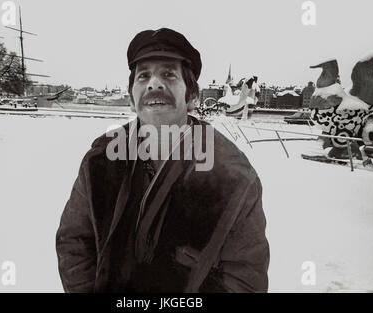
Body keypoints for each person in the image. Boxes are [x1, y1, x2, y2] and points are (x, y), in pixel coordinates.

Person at [56, 28, 269, 293]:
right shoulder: (99, 160)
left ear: (192, 97)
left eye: (168, 74)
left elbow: (244, 277)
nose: (154, 84)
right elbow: (74, 243)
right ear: (132, 97)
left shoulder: (233, 176)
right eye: (143, 75)